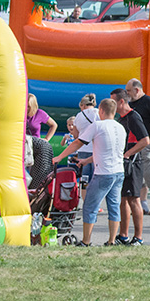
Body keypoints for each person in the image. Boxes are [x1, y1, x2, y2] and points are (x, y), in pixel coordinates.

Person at [53, 98, 125, 247]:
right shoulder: (120, 128)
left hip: (103, 173)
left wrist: (60, 156)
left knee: (90, 206)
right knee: (113, 206)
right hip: (118, 172)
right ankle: (112, 241)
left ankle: (86, 241)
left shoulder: (97, 125)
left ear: (101, 111)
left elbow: (78, 142)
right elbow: (108, 151)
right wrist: (87, 161)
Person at [110, 88, 150, 246]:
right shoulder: (121, 119)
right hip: (124, 164)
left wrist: (128, 154)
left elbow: (145, 140)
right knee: (123, 199)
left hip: (134, 163)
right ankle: (123, 235)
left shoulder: (133, 117)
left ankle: (139, 237)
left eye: (114, 102)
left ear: (121, 101)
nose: (112, 105)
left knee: (134, 199)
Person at [125, 79, 150, 216]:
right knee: (139, 175)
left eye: (129, 91)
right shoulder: (131, 104)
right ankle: (143, 203)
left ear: (137, 90)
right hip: (137, 144)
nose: (127, 93)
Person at [73, 94, 99, 198]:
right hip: (96, 150)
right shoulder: (98, 113)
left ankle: (85, 202)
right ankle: (96, 204)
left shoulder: (79, 115)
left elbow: (75, 135)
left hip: (83, 150)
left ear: (82, 105)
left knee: (84, 179)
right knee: (96, 178)